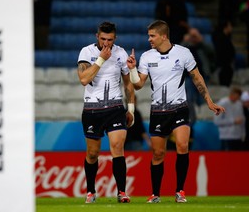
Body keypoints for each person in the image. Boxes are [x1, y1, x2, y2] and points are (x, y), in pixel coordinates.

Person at [126, 20, 225, 203]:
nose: (149, 39)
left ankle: (180, 191)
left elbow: (197, 78)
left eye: (152, 36)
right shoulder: (147, 56)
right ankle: (155, 194)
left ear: (164, 36)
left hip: (179, 108)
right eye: (149, 36)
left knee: (182, 145)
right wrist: (132, 70)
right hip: (158, 111)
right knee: (158, 154)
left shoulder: (183, 53)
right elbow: (138, 85)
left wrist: (209, 101)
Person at [77, 21, 135, 203]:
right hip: (92, 109)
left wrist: (131, 108)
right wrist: (101, 59)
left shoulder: (121, 53)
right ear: (97, 37)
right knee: (93, 154)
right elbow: (84, 79)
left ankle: (121, 192)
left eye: (110, 40)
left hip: (115, 108)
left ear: (115, 38)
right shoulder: (87, 52)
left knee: (118, 147)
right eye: (103, 39)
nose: (106, 43)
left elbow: (128, 84)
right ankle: (91, 191)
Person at [214, 86, 245, 151]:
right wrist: (233, 121)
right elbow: (217, 121)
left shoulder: (239, 104)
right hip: (226, 136)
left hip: (238, 136)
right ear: (231, 94)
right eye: (235, 97)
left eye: (237, 97)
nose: (236, 99)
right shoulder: (222, 103)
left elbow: (242, 120)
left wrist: (243, 133)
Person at [212, 19, 236, 87]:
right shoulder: (221, 38)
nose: (231, 28)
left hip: (227, 65)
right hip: (223, 65)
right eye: (230, 26)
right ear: (226, 27)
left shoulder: (227, 37)